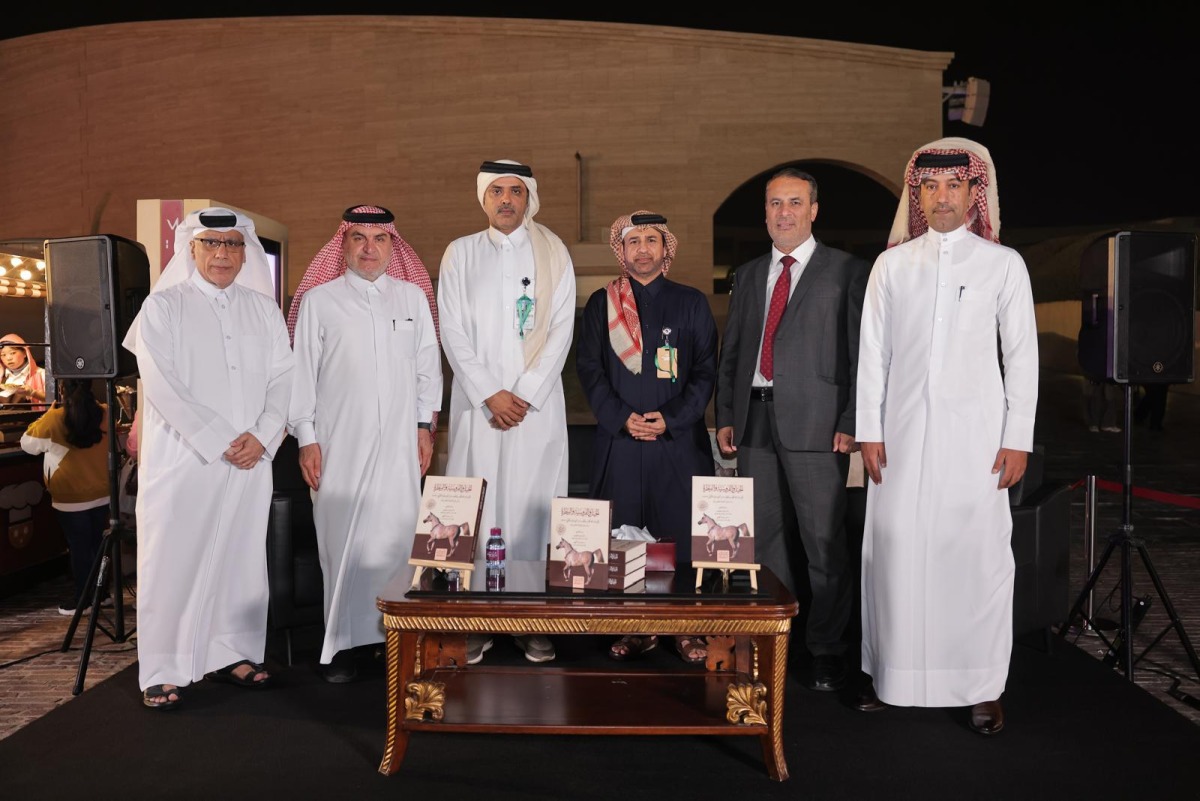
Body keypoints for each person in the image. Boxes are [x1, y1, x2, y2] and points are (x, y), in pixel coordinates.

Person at [855, 137, 1039, 736]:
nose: (941, 197)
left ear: (972, 192)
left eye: (953, 186)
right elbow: (873, 356)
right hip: (901, 440)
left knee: (975, 559)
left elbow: (1022, 358)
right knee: (897, 553)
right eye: (929, 187)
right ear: (917, 194)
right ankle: (895, 676)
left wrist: (1018, 438)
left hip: (977, 442)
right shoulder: (892, 265)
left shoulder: (1003, 263)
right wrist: (869, 432)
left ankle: (981, 686)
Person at [123, 207, 295, 710]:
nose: (222, 254)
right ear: (191, 249)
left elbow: (284, 378)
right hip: (187, 459)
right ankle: (163, 667)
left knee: (241, 556)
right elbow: (162, 385)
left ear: (245, 253)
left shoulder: (262, 310)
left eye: (233, 244)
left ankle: (234, 653)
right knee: (173, 557)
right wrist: (221, 438)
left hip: (251, 458)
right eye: (211, 244)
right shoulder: (163, 307)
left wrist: (263, 436)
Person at [714, 168, 868, 692]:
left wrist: (852, 421)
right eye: (775, 203)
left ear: (814, 210)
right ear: (765, 212)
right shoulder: (751, 272)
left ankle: (826, 650)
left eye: (795, 202)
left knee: (824, 545)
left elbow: (860, 354)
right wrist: (726, 414)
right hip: (754, 420)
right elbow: (733, 350)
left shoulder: (847, 272)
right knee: (764, 543)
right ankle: (772, 641)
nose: (784, 212)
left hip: (819, 426)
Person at [288, 205, 442, 683]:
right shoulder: (320, 300)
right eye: (359, 238)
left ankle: (391, 641)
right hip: (338, 445)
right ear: (345, 244)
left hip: (400, 446)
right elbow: (302, 377)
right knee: (342, 543)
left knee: (396, 542)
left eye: (379, 240)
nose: (369, 248)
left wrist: (424, 427)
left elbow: (427, 370)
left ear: (394, 246)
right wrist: (307, 439)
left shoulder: (412, 298)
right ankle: (344, 646)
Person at [438, 159, 575, 664]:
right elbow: (451, 331)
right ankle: (473, 618)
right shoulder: (460, 254)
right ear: (483, 197)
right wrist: (489, 393)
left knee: (530, 511)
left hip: (534, 411)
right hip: (480, 410)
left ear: (529, 197)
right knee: (476, 509)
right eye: (496, 191)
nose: (506, 200)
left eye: (515, 191)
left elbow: (561, 330)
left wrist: (525, 392)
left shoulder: (554, 252)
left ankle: (532, 620)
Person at [576, 210, 718, 664]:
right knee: (626, 536)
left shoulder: (691, 302)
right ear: (622, 249)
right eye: (633, 241)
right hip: (620, 443)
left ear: (665, 248)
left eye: (651, 240)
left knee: (679, 538)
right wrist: (621, 417)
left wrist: (671, 418)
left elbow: (704, 372)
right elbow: (590, 369)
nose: (642, 249)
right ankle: (635, 627)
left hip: (677, 442)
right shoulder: (603, 303)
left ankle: (684, 628)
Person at [21, 379, 111, 616]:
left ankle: (83, 598)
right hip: (102, 491)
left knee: (79, 547)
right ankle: (102, 594)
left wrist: (45, 415)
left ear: (61, 389)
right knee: (98, 545)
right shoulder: (105, 411)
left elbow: (27, 444)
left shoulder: (54, 418)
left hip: (70, 496)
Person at [1, 333, 47, 408]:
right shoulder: (2, 378)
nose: (8, 358)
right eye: (3, 355)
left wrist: (33, 393)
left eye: (12, 353)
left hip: (33, 419)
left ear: (25, 353)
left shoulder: (41, 374)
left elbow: (55, 401)